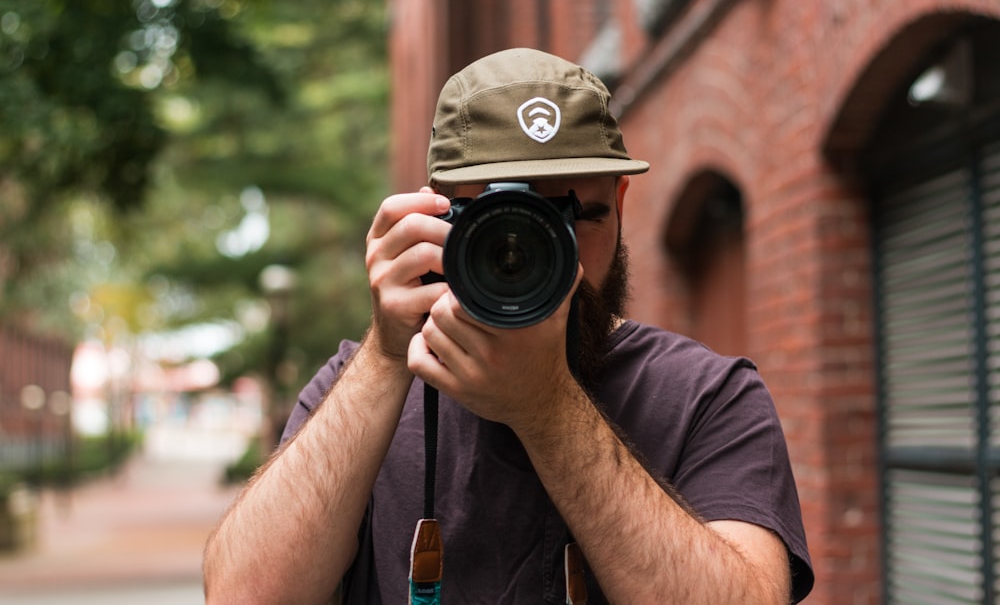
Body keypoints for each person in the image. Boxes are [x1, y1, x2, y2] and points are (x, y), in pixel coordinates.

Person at [203, 47, 814, 604]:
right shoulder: (364, 385)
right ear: (433, 215)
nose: (545, 257)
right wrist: (387, 357)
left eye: (575, 219)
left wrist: (547, 407)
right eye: (499, 223)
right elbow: (242, 595)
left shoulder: (706, 395)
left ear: (621, 204)